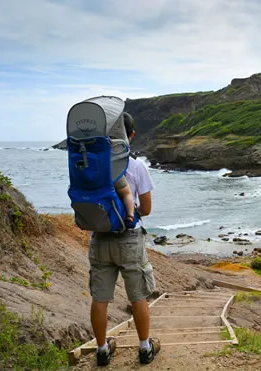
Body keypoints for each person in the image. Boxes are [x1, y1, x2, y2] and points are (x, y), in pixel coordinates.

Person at [89, 112, 160, 366]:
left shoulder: (93, 164)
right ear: (130, 136)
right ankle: (144, 348)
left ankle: (101, 350)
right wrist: (130, 211)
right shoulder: (137, 166)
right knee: (137, 296)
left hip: (99, 237)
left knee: (100, 298)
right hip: (129, 238)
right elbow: (148, 209)